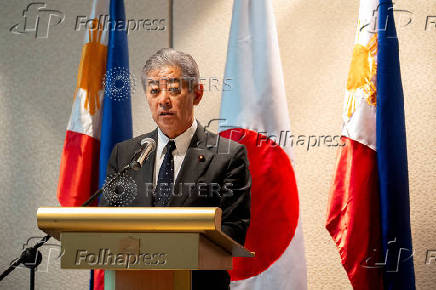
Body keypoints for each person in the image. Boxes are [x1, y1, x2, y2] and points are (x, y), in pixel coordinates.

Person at [100, 48, 251, 290]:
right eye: (154, 91)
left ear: (197, 93)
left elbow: (233, 231)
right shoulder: (126, 154)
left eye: (173, 89)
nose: (163, 100)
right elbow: (107, 222)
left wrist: (168, 252)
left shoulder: (228, 156)